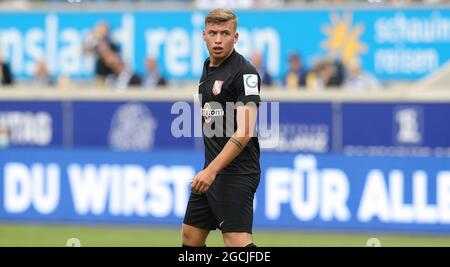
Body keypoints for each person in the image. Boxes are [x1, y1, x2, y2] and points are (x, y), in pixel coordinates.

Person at [182, 8, 261, 247]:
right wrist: (210, 170)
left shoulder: (245, 73)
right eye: (213, 33)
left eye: (225, 33)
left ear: (235, 38)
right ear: (203, 35)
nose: (218, 40)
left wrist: (211, 171)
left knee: (236, 243)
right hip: (212, 171)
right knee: (190, 237)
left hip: (236, 172)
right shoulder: (208, 68)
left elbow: (245, 131)